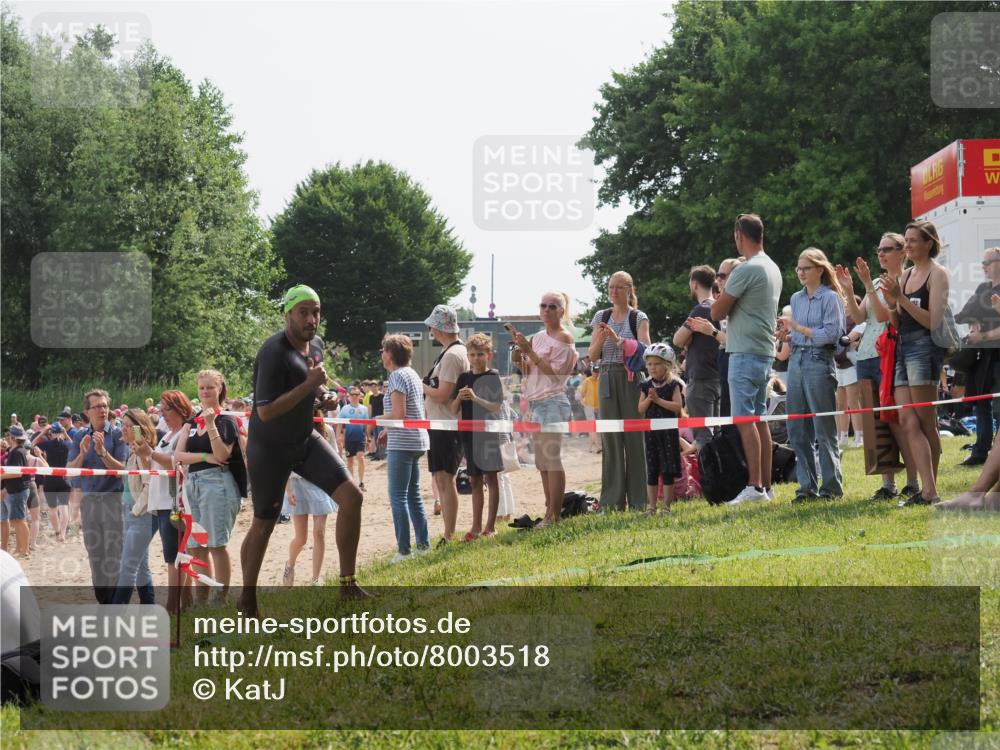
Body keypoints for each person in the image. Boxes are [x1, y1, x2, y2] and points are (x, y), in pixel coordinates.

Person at [240, 285, 366, 618]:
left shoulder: (314, 347)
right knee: (263, 525)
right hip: (269, 449)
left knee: (352, 497)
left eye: (316, 312)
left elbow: (308, 383)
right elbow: (265, 411)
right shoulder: (273, 352)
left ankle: (347, 583)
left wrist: (324, 396)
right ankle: (247, 599)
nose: (311, 319)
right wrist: (310, 387)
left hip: (304, 439)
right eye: (303, 312)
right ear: (288, 315)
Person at [837, 233, 920, 501]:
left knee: (897, 422)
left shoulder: (905, 281)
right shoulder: (874, 282)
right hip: (865, 357)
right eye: (879, 249)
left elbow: (886, 316)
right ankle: (888, 483)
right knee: (876, 425)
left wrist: (868, 288)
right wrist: (850, 289)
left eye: (887, 249)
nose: (881, 254)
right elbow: (860, 317)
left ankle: (912, 481)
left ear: (902, 252)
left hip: (890, 356)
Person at [711, 214, 782, 504]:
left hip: (744, 352)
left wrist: (727, 288)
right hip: (764, 351)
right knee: (759, 419)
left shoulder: (745, 269)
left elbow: (716, 312)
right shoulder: (772, 267)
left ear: (740, 235)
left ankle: (754, 485)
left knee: (744, 419)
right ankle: (765, 485)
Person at [882, 220, 950, 506]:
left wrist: (902, 299)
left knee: (925, 422)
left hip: (925, 349)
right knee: (908, 421)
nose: (907, 245)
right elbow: (898, 320)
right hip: (902, 349)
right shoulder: (906, 274)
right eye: (906, 240)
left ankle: (930, 490)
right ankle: (927, 491)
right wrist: (891, 303)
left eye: (912, 241)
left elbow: (933, 321)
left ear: (928, 243)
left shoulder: (938, 274)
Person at [781, 247, 846, 502]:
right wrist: (788, 335)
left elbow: (831, 336)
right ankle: (806, 487)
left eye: (806, 268)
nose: (801, 272)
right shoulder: (796, 299)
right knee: (797, 428)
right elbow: (803, 335)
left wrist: (797, 328)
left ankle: (831, 487)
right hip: (796, 361)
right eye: (798, 268)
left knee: (823, 428)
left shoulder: (831, 298)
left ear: (820, 270)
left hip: (820, 361)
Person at [174, 370, 241, 601]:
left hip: (218, 483)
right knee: (196, 545)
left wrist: (211, 426)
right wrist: (204, 456)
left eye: (210, 387)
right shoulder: (191, 422)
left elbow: (222, 456)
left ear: (220, 388)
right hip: (193, 484)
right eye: (202, 387)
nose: (205, 392)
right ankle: (202, 598)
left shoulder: (227, 419)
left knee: (216, 544)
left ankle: (219, 599)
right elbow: (178, 456)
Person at [514, 291, 579, 527]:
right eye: (543, 306)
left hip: (552, 400)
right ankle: (549, 510)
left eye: (553, 306)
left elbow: (555, 377)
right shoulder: (539, 336)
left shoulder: (565, 338)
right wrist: (518, 355)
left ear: (562, 311)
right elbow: (529, 370)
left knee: (551, 459)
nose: (547, 310)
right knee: (542, 461)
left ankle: (554, 514)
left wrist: (529, 352)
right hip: (536, 401)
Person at [588, 271, 651, 511]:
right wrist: (602, 340)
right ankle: (611, 502)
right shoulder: (601, 316)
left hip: (632, 379)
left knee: (636, 438)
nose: (613, 292)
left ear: (629, 290)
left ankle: (639, 500)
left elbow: (647, 350)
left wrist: (618, 340)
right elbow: (592, 356)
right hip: (606, 376)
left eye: (619, 287)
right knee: (611, 439)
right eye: (610, 287)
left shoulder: (638, 317)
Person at [67, 389, 129, 603]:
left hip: (113, 500)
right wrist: (83, 453)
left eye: (105, 405)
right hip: (90, 502)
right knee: (95, 554)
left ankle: (116, 604)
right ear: (87, 412)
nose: (102, 410)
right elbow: (70, 469)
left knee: (114, 553)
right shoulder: (78, 436)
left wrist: (102, 452)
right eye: (97, 406)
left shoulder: (119, 433)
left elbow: (123, 469)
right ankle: (104, 603)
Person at [378, 333, 431, 561]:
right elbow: (406, 413)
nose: (381, 354)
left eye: (383, 350)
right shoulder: (412, 374)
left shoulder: (397, 376)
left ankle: (404, 550)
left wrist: (378, 420)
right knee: (413, 495)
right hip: (416, 440)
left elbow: (398, 414)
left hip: (404, 442)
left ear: (390, 353)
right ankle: (423, 545)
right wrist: (387, 429)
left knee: (397, 496)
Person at [421, 305, 469, 542]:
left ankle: (449, 535)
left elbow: (443, 394)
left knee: (445, 480)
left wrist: (421, 386)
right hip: (443, 423)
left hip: (446, 424)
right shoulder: (452, 352)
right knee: (442, 479)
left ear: (438, 328)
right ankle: (448, 533)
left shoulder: (451, 355)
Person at [142, 389, 192, 613]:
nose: (163, 414)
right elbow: (156, 467)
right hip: (163, 500)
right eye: (161, 409)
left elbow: (176, 463)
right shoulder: (167, 435)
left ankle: (174, 604)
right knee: (175, 555)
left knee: (174, 556)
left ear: (180, 409)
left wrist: (150, 453)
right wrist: (145, 453)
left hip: (175, 501)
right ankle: (185, 601)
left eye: (167, 409)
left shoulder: (184, 433)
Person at [450, 333, 504, 540]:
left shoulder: (493, 376)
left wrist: (476, 397)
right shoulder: (464, 377)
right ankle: (475, 526)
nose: (475, 359)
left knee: (491, 478)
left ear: (488, 355)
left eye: (479, 354)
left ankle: (490, 526)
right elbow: (454, 409)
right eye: (471, 354)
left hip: (488, 433)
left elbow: (497, 407)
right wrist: (460, 397)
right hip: (469, 434)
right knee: (474, 480)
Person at [954, 246, 1000, 467]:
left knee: (999, 405)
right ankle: (981, 451)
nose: (983, 267)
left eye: (987, 262)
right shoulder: (983, 288)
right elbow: (962, 314)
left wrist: (984, 335)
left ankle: (997, 454)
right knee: (981, 403)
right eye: (982, 263)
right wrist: (973, 322)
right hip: (984, 356)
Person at [283, 408, 338, 586]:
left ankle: (315, 579)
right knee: (301, 538)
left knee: (319, 532)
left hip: (320, 483)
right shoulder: (290, 429)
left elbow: (335, 456)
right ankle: (290, 564)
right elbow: (284, 462)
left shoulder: (326, 430)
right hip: (296, 484)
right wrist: (288, 487)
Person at [112, 409, 157, 605]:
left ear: (139, 429)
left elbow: (149, 483)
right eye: (123, 424)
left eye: (129, 426)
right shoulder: (134, 451)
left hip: (141, 514)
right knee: (140, 568)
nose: (124, 429)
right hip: (131, 512)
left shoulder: (140, 450)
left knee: (128, 568)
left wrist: (136, 509)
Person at [673, 265, 720, 450]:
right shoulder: (719, 308)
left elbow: (677, 339)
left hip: (701, 379)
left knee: (702, 437)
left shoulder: (701, 309)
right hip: (718, 377)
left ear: (694, 284)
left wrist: (688, 339)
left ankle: (708, 478)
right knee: (716, 433)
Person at [637, 344, 684, 513]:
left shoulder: (673, 385)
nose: (652, 367)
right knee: (652, 470)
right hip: (651, 435)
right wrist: (650, 399)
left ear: (667, 365)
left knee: (667, 470)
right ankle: (651, 506)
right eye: (649, 364)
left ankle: (667, 506)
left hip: (669, 435)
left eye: (656, 364)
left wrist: (658, 400)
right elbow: (640, 409)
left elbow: (677, 406)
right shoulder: (645, 385)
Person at [33, 423, 72, 542]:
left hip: (50, 478)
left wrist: (43, 432)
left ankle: (57, 531)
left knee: (52, 509)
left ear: (51, 433)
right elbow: (76, 445)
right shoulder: (66, 444)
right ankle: (63, 533)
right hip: (63, 478)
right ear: (61, 432)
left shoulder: (47, 444)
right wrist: (66, 434)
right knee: (64, 506)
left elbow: (32, 444)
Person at [0, 427, 32, 558]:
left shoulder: (17, 452)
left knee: (19, 520)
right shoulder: (15, 451)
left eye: (8, 435)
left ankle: (25, 550)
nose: (6, 437)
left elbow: (18, 473)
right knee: (16, 520)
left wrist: (1, 476)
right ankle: (21, 549)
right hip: (15, 490)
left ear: (13, 438)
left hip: (19, 490)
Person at [336, 387, 368, 492]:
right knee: (350, 461)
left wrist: (369, 438)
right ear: (349, 396)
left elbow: (367, 424)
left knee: (361, 458)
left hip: (360, 438)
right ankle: (352, 483)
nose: (354, 397)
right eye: (352, 394)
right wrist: (338, 436)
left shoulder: (364, 408)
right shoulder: (345, 408)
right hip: (349, 438)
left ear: (360, 396)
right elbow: (340, 423)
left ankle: (361, 482)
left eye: (356, 394)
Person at [578, 367, 601, 453]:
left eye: (598, 372)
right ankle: (598, 446)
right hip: (589, 406)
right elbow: (582, 395)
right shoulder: (587, 381)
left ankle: (590, 448)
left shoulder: (600, 381)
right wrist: (584, 405)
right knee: (592, 427)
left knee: (595, 427)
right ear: (592, 372)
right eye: (595, 372)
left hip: (598, 407)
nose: (596, 373)